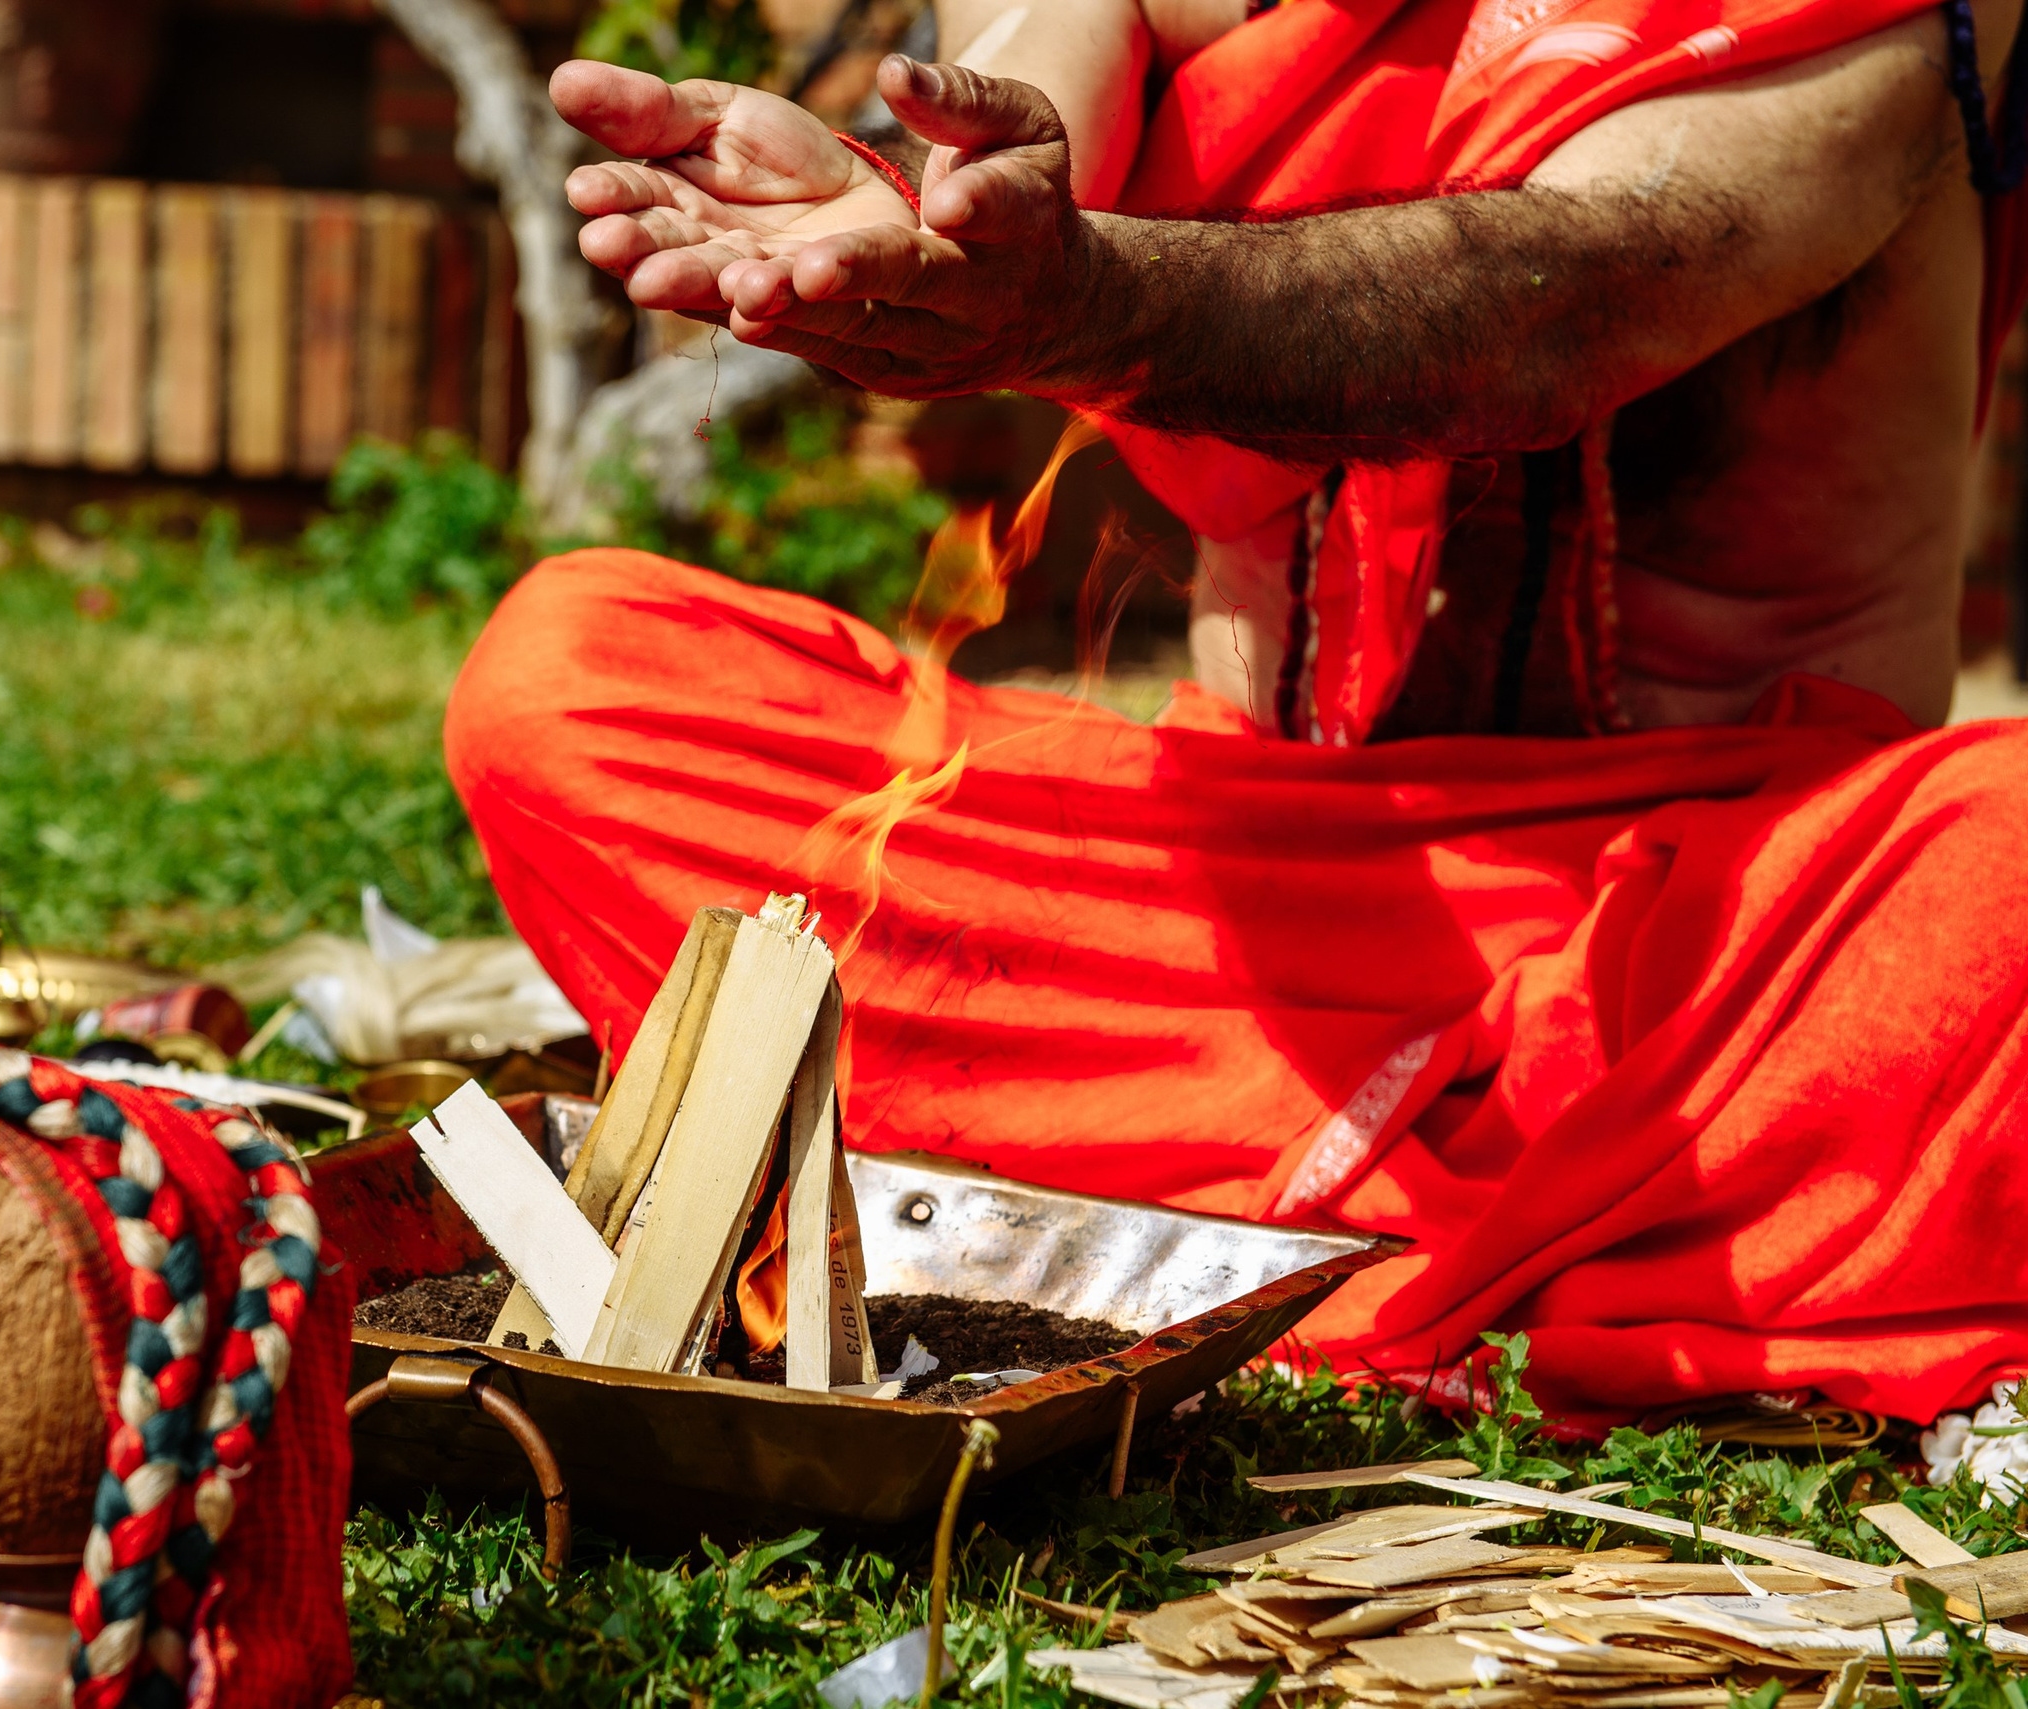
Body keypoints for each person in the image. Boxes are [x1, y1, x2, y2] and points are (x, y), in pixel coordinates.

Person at [444, 0, 2028, 1434]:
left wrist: (1084, 303)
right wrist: (968, 204)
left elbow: (1560, 303)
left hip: (1718, 943)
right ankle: (1537, 1234)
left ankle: (1150, 1207)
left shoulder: (1879, 23)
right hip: (1233, 921)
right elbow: (1034, 66)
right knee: (569, 677)